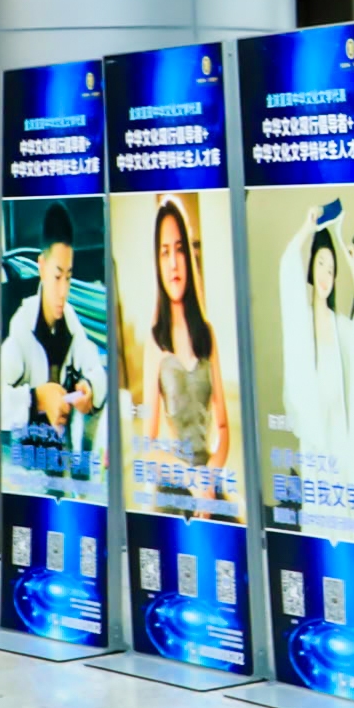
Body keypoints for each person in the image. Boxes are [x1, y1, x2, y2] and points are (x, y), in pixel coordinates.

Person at [273, 202, 354, 538]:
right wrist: (307, 229)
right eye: (321, 264)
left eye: (331, 270)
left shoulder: (341, 327)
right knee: (319, 523)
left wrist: (352, 266)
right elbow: (286, 266)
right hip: (315, 444)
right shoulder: (302, 321)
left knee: (346, 522)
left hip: (340, 441)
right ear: (311, 267)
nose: (325, 275)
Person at [134, 194, 235, 507]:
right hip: (174, 481)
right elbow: (149, 445)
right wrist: (190, 479)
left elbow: (223, 427)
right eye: (165, 252)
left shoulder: (206, 334)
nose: (173, 263)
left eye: (179, 249)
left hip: (208, 479)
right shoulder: (155, 341)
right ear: (157, 262)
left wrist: (210, 477)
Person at [0, 204, 105, 484]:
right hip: (24, 470)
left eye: (68, 277)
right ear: (42, 267)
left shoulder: (69, 319)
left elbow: (97, 370)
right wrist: (37, 398)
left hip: (62, 461)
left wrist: (89, 390)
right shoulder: (22, 325)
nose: (63, 291)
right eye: (57, 277)